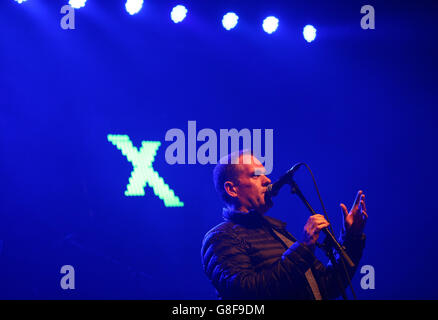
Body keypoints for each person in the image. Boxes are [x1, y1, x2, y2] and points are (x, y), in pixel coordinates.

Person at [201, 151, 367, 299]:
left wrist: (351, 237)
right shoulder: (220, 238)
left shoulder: (277, 230)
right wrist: (303, 248)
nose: (267, 180)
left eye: (265, 175)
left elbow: (326, 287)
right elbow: (245, 292)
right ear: (232, 189)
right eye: (256, 175)